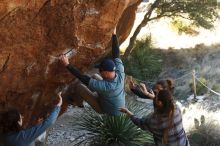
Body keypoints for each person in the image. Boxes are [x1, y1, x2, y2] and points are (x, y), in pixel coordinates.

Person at [60, 27, 125, 116]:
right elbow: (116, 54)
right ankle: (90, 91)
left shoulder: (106, 87)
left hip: (106, 109)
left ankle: (78, 103)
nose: (99, 71)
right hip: (114, 103)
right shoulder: (120, 71)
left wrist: (67, 65)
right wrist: (114, 34)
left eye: (100, 70)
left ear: (105, 73)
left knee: (79, 87)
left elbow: (83, 78)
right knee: (94, 76)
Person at [120, 90, 189, 146]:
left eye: (156, 96)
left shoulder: (154, 121)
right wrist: (147, 94)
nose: (155, 96)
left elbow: (139, 122)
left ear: (159, 103)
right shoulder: (176, 109)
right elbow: (164, 102)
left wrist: (127, 111)